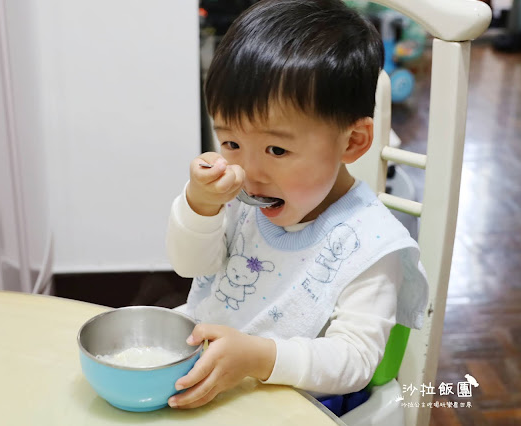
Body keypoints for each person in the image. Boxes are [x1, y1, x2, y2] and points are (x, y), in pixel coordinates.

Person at [165, 0, 428, 414]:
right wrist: (200, 206)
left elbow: (355, 360)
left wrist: (261, 357)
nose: (249, 172)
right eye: (231, 143)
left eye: (276, 149)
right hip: (209, 383)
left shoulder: (370, 243)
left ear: (352, 142)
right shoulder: (238, 196)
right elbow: (188, 265)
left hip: (300, 404)